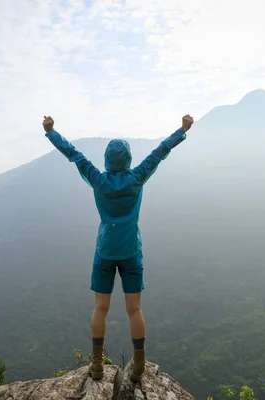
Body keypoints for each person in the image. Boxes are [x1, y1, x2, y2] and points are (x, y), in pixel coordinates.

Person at [42, 114, 194, 382]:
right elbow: (160, 152)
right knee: (134, 309)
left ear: (107, 160)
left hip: (105, 251)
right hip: (131, 252)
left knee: (100, 308)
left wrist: (51, 131)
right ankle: (138, 365)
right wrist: (182, 130)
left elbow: (73, 155)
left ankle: (98, 363)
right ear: (128, 160)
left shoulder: (98, 180)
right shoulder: (136, 178)